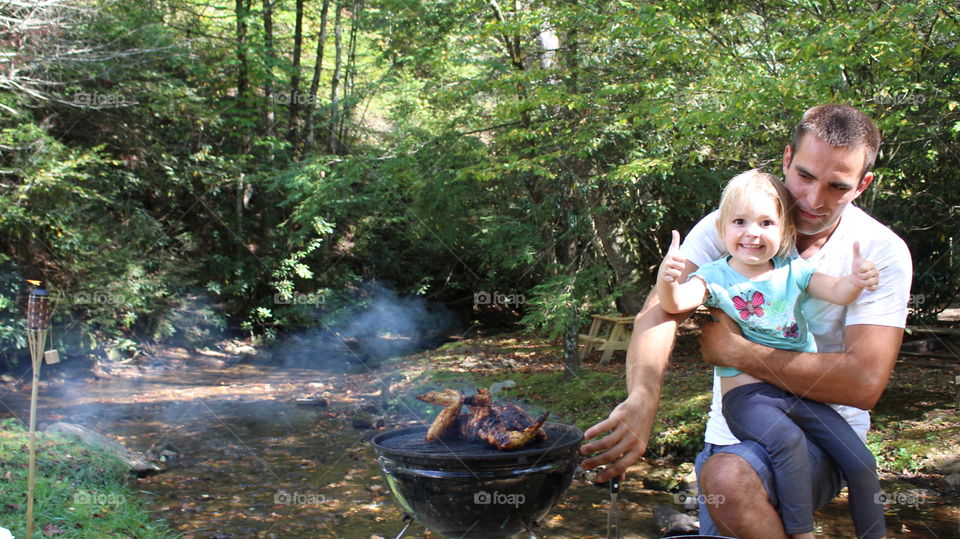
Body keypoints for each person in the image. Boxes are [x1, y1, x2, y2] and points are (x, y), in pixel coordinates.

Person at [579, 104, 913, 539]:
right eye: (806, 176)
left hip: (824, 439)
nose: (813, 200)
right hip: (730, 432)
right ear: (787, 159)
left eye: (837, 186)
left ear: (863, 185)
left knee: (728, 481)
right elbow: (660, 311)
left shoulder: (879, 250)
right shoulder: (734, 227)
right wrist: (643, 399)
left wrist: (738, 352)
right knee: (724, 483)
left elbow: (864, 383)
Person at [657, 169, 885, 539]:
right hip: (748, 399)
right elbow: (677, 302)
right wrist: (667, 281)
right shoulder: (715, 277)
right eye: (740, 222)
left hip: (799, 393)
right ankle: (801, 532)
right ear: (722, 231)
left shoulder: (793, 270)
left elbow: (839, 292)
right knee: (788, 441)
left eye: (766, 222)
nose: (752, 232)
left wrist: (858, 280)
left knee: (861, 462)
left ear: (785, 232)